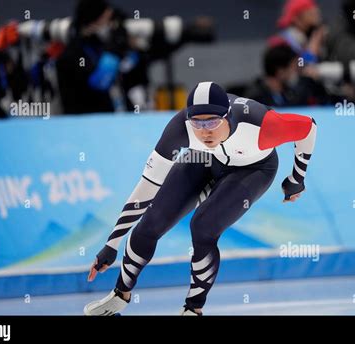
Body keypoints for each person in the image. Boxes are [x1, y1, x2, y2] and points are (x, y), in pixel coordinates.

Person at [84, 82, 317, 315]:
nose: (205, 131)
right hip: (203, 159)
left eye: (212, 122)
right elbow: (146, 187)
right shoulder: (179, 128)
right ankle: (120, 295)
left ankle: (193, 309)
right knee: (151, 221)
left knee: (202, 226)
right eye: (198, 123)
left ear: (227, 117)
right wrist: (112, 243)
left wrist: (297, 178)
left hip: (254, 168)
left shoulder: (261, 126)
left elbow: (308, 128)